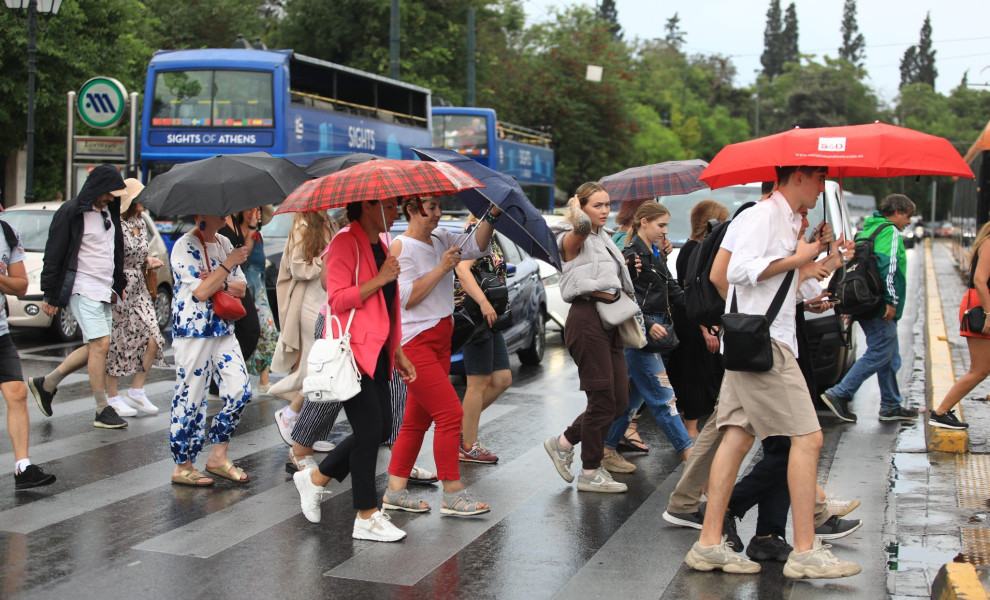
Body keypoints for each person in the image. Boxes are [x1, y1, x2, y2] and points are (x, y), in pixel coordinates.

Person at [684, 166, 860, 579]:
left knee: (736, 438)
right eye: (819, 178)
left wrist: (826, 260)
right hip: (766, 343)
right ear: (798, 176)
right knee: (808, 438)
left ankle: (709, 544)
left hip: (757, 340)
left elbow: (779, 284)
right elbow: (735, 272)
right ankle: (805, 551)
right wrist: (799, 257)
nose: (822, 187)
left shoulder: (783, 219)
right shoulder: (764, 215)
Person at [292, 198, 417, 542]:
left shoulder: (380, 245)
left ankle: (316, 479)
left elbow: (386, 307)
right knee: (369, 431)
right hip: (355, 350)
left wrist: (397, 352)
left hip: (379, 350)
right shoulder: (345, 241)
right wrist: (380, 278)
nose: (395, 212)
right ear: (367, 206)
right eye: (389, 206)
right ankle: (366, 515)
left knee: (379, 430)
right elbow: (338, 298)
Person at [382, 196, 496, 516]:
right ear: (410, 209)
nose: (437, 213)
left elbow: (477, 246)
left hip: (441, 338)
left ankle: (395, 491)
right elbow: (408, 298)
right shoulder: (401, 247)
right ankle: (452, 493)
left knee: (416, 421)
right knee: (449, 414)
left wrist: (492, 215)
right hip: (415, 341)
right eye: (430, 207)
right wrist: (443, 267)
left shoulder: (441, 237)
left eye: (437, 206)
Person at [543, 182, 635, 494]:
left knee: (619, 400)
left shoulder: (603, 237)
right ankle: (590, 471)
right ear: (581, 208)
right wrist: (575, 210)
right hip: (586, 319)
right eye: (597, 205)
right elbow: (580, 228)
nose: (605, 211)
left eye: (608, 204)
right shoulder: (570, 236)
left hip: (611, 319)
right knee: (602, 400)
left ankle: (563, 442)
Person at [29, 164, 130, 429]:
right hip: (82, 286)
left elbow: (115, 250)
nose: (111, 197)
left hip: (104, 288)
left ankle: (46, 383)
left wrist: (119, 282)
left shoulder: (108, 212)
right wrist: (50, 294)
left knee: (97, 347)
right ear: (97, 187)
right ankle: (102, 408)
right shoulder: (71, 212)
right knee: (100, 343)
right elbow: (54, 253)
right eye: (108, 192)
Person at [601, 202, 693, 474]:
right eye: (661, 225)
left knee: (632, 397)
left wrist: (705, 310)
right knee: (663, 397)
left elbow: (672, 289)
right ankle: (690, 454)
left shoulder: (655, 252)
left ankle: (605, 450)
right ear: (643, 222)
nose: (665, 231)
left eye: (666, 226)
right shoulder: (632, 254)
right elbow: (625, 295)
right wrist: (649, 323)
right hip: (641, 332)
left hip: (656, 331)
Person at [168, 214, 251, 486]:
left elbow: (241, 288)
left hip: (223, 328)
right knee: (190, 396)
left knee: (240, 390)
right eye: (216, 210)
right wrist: (228, 265)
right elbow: (201, 292)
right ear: (200, 214)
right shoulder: (185, 245)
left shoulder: (225, 243)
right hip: (193, 330)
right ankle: (183, 465)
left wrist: (221, 280)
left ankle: (217, 456)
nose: (223, 215)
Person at [820, 194, 919, 423]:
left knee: (890, 356)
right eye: (908, 216)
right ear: (897, 211)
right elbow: (888, 268)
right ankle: (839, 393)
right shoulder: (889, 231)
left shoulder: (867, 230)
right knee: (880, 351)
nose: (909, 221)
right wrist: (892, 301)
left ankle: (891, 405)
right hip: (880, 304)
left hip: (865, 301)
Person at [270, 211, 337, 445]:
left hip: (326, 299)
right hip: (309, 300)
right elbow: (297, 267)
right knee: (319, 364)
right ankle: (290, 414)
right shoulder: (304, 224)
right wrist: (325, 262)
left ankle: (308, 430)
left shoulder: (330, 222)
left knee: (326, 364)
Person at [0, 216, 56, 490]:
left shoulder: (6, 232)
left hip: (0, 333)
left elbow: (21, 286)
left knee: (17, 393)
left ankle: (23, 468)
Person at [104, 179, 168, 418]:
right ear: (129, 199)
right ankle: (112, 396)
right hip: (119, 285)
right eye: (140, 198)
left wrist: (148, 261)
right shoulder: (115, 224)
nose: (145, 202)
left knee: (154, 337)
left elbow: (140, 255)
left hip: (139, 286)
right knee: (117, 342)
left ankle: (136, 390)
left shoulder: (140, 222)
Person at [668, 199, 729, 438]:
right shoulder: (696, 249)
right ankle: (690, 428)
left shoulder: (692, 247)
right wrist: (706, 327)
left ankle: (691, 426)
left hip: (694, 318)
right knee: (697, 374)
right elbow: (693, 292)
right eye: (721, 222)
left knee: (699, 373)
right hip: (695, 321)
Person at [453, 214, 510, 464]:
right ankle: (467, 445)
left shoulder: (491, 233)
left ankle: (459, 427)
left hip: (491, 317)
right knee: (478, 382)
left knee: (502, 378)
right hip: (476, 315)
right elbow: (461, 269)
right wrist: (484, 302)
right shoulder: (475, 231)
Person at [930, 221, 990, 429]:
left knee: (981, 369)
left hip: (982, 305)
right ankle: (940, 412)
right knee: (979, 370)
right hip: (981, 307)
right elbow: (980, 280)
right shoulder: (989, 243)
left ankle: (941, 412)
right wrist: (988, 314)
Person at [227, 207, 279, 393]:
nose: (254, 211)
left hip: (259, 286)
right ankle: (237, 374)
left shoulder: (258, 234)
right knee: (247, 332)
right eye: (251, 208)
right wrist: (250, 227)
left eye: (258, 209)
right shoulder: (238, 231)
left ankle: (264, 379)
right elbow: (244, 255)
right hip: (246, 285)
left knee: (269, 331)